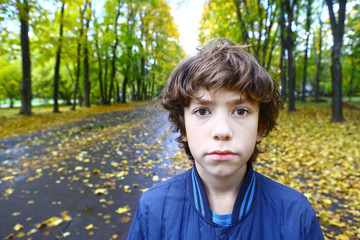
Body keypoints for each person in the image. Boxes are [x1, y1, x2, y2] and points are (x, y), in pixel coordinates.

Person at [127, 38, 324, 239]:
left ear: (260, 127)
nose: (222, 131)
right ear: (183, 127)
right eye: (202, 111)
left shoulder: (296, 213)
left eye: (240, 111)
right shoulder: (153, 208)